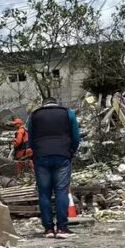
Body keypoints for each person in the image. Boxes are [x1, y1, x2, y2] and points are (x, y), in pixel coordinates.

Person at [27, 97, 81, 239]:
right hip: (62, 156)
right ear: (56, 103)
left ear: (44, 104)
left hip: (41, 157)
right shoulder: (68, 113)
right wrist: (71, 151)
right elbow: (76, 136)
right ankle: (62, 228)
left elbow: (30, 139)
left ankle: (49, 229)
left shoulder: (34, 115)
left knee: (44, 193)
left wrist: (36, 151)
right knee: (61, 191)